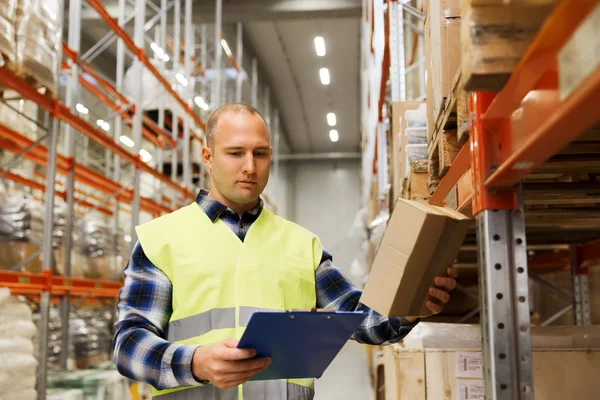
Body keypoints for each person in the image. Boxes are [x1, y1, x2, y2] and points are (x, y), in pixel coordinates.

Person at [113, 104, 459, 400]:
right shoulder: (162, 239)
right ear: (208, 157)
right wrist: (195, 362)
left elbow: (361, 319)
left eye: (260, 153)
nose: (250, 166)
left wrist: (412, 306)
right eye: (235, 153)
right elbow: (129, 344)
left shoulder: (301, 244)